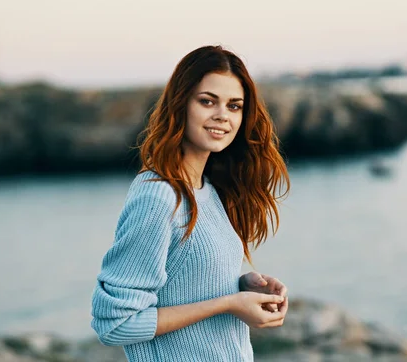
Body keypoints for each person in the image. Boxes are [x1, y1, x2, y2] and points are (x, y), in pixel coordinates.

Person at [90, 45, 290, 361]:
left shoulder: (207, 188)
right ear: (181, 104)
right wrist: (228, 304)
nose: (222, 115)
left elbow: (181, 282)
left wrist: (241, 287)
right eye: (207, 101)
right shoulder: (158, 196)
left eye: (234, 106)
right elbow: (117, 323)